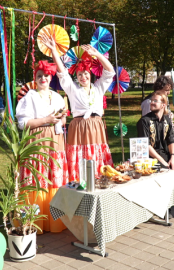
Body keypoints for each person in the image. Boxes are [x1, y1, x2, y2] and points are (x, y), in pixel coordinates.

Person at [43, 36, 114, 180]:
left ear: (90, 74)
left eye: (86, 74)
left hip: (96, 126)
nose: (83, 77)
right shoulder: (73, 89)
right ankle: (80, 183)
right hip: (79, 127)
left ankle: (99, 181)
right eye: (80, 75)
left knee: (97, 157)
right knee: (80, 158)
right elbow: (62, 73)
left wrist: (97, 55)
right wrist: (53, 51)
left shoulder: (99, 87)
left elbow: (110, 71)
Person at [16, 60, 68, 233]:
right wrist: (46, 120)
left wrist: (61, 119)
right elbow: (23, 123)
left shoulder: (57, 96)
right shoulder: (29, 97)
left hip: (55, 140)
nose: (43, 79)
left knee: (53, 177)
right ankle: (36, 221)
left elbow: (63, 119)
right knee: (38, 177)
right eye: (39, 76)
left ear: (50, 76)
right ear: (35, 78)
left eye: (46, 75)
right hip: (37, 140)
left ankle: (55, 220)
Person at [137, 92, 174, 195]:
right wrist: (162, 161)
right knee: (165, 171)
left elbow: (171, 140)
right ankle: (165, 200)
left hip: (166, 154)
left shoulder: (167, 120)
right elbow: (146, 146)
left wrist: (172, 157)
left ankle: (172, 194)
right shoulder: (144, 121)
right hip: (150, 158)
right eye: (151, 101)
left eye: (155, 101)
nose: (152, 103)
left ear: (163, 104)